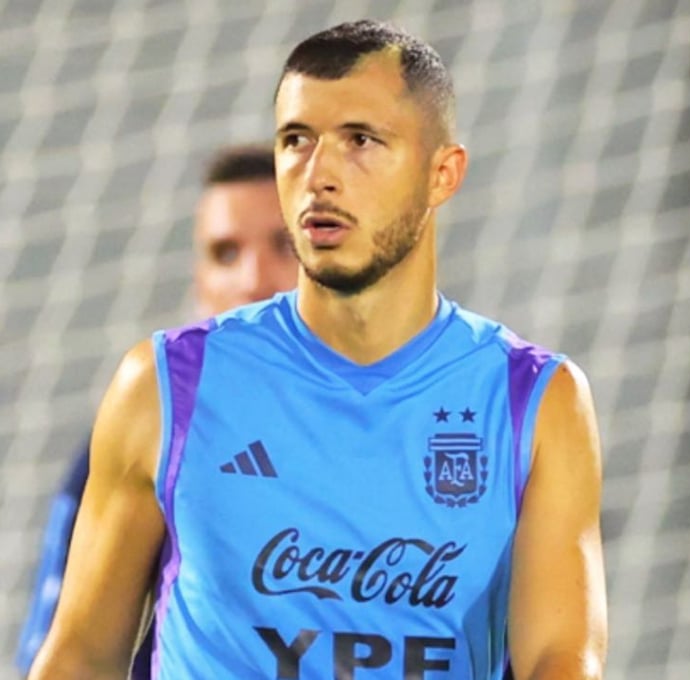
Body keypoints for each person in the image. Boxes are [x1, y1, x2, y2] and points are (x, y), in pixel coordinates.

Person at [30, 19, 607, 680]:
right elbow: (77, 656)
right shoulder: (163, 388)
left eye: (361, 140)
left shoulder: (535, 401)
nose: (319, 175)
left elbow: (560, 660)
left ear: (442, 174)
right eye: (297, 141)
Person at [15, 143, 297, 678]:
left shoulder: (435, 426)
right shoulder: (150, 440)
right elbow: (65, 649)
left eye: (283, 245)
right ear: (199, 280)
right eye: (225, 253)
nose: (253, 279)